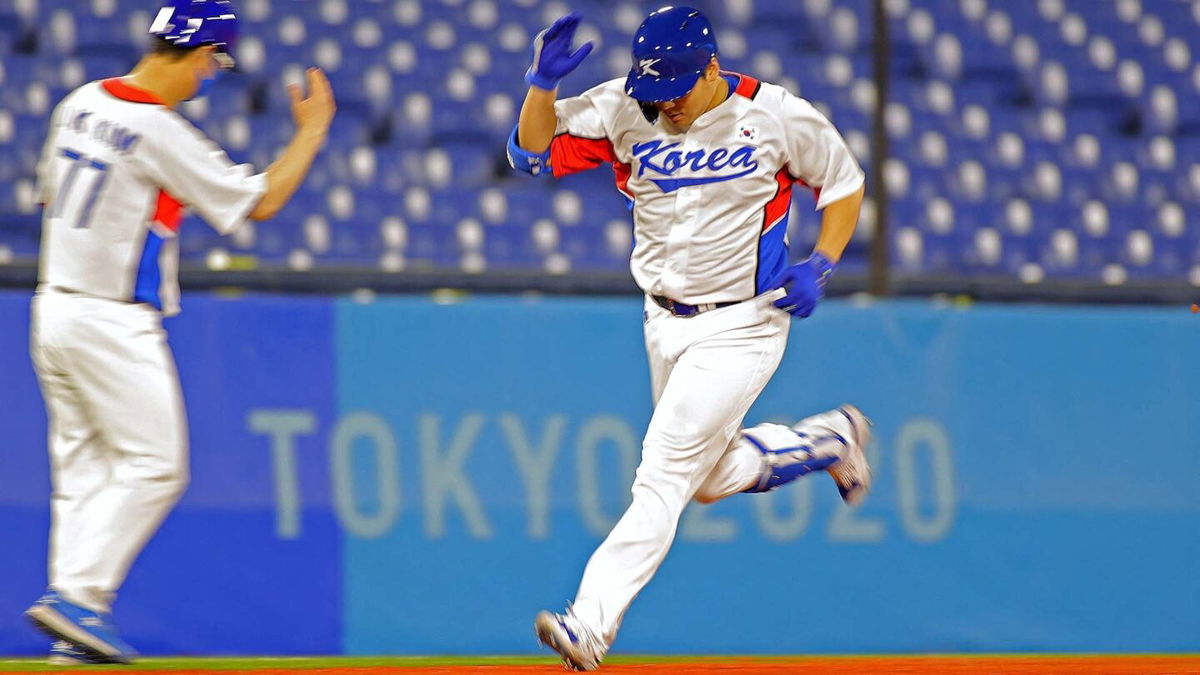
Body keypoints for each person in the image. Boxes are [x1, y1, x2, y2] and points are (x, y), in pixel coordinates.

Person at [507, 7, 871, 670]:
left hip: (745, 320)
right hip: (664, 319)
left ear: (710, 67)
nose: (664, 104)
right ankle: (827, 439)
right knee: (708, 477)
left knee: (664, 472)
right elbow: (529, 153)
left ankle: (590, 622)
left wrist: (823, 261)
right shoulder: (627, 108)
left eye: (675, 87)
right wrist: (540, 84)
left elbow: (844, 184)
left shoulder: (777, 115)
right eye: (654, 92)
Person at [23, 0, 335, 664]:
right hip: (112, 316)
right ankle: (78, 598)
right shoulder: (160, 130)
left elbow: (51, 198)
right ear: (202, 57)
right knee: (157, 464)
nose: (207, 77)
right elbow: (262, 201)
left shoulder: (76, 102)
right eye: (212, 64)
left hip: (52, 304)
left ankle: (72, 633)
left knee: (82, 472)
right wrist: (310, 132)